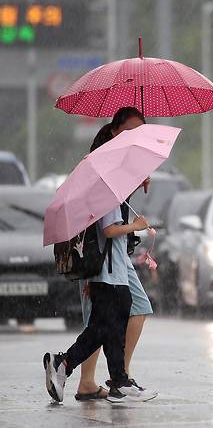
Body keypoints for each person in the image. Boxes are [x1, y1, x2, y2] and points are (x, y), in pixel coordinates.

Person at [43, 107, 157, 404]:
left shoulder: (123, 168)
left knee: (107, 323)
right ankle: (109, 378)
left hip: (115, 261)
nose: (136, 137)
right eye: (130, 130)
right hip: (103, 262)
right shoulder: (104, 168)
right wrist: (135, 227)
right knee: (106, 322)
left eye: (140, 131)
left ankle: (96, 373)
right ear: (114, 129)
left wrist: (137, 181)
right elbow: (106, 225)